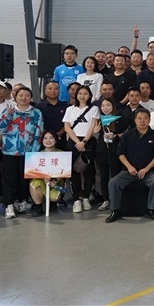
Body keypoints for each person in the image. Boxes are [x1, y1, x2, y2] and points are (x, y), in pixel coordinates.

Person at [105, 108, 154, 223]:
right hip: (129, 171)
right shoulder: (128, 135)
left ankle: (151, 209)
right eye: (139, 118)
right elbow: (120, 153)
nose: (142, 121)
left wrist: (146, 168)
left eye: (145, 118)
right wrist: (129, 167)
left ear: (149, 120)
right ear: (135, 120)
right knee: (113, 182)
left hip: (148, 171)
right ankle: (115, 211)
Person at [0, 87, 44, 218]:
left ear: (31, 97)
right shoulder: (8, 110)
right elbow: (1, 128)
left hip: (28, 151)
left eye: (27, 95)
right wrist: (8, 115)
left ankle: (22, 200)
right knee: (9, 179)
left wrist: (34, 151)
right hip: (10, 151)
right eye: (21, 95)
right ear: (15, 97)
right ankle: (9, 204)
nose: (24, 98)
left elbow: (39, 132)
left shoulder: (36, 113)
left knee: (24, 179)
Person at [62, 85, 100, 214]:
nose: (82, 96)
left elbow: (93, 126)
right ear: (76, 95)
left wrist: (84, 142)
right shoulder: (70, 109)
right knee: (74, 171)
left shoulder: (94, 109)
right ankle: (76, 200)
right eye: (80, 93)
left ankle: (86, 198)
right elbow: (67, 128)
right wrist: (77, 142)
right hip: (73, 142)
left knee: (89, 170)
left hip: (88, 142)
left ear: (89, 96)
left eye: (85, 93)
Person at [27, 130, 65, 217]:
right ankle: (38, 206)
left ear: (56, 139)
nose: (48, 141)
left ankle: (52, 203)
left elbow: (64, 171)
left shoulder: (62, 154)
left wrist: (54, 181)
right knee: (34, 183)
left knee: (54, 198)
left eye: (51, 138)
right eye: (45, 138)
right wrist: (43, 178)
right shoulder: (37, 155)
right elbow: (33, 172)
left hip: (55, 183)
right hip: (41, 181)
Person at [93, 97, 120, 211]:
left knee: (114, 176)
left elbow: (123, 134)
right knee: (103, 176)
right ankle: (105, 200)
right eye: (103, 106)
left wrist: (115, 135)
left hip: (114, 151)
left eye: (108, 105)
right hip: (101, 151)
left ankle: (115, 199)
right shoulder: (98, 120)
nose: (105, 108)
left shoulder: (118, 119)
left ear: (113, 106)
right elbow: (95, 136)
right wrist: (95, 132)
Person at [35, 81, 68, 149]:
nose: (53, 91)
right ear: (45, 91)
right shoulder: (38, 107)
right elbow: (37, 123)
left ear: (59, 91)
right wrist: (48, 135)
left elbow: (68, 123)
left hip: (61, 139)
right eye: (50, 89)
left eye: (56, 89)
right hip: (44, 140)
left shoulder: (65, 106)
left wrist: (58, 134)